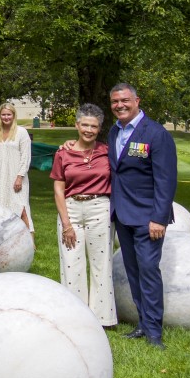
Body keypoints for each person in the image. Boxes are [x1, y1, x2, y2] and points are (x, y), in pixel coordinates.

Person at [108, 82, 178, 348]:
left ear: (137, 100)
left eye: (125, 100)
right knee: (134, 272)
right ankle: (142, 324)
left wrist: (159, 218)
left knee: (149, 271)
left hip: (149, 218)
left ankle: (154, 332)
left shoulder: (156, 134)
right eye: (115, 102)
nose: (120, 105)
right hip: (123, 216)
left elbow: (166, 179)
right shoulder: (114, 133)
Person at [50, 103, 116, 326]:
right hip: (71, 209)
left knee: (101, 263)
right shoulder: (63, 152)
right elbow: (59, 189)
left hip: (100, 207)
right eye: (85, 125)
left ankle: (102, 318)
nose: (89, 129)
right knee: (71, 261)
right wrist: (67, 224)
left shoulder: (107, 151)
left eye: (94, 126)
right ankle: (76, 316)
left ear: (99, 129)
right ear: (77, 125)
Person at [0, 101, 33, 231]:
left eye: (9, 114)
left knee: (21, 207)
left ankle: (30, 239)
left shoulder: (21, 132)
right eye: (3, 115)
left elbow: (25, 157)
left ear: (14, 115)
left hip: (16, 176)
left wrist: (20, 176)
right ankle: (4, 241)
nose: (6, 117)